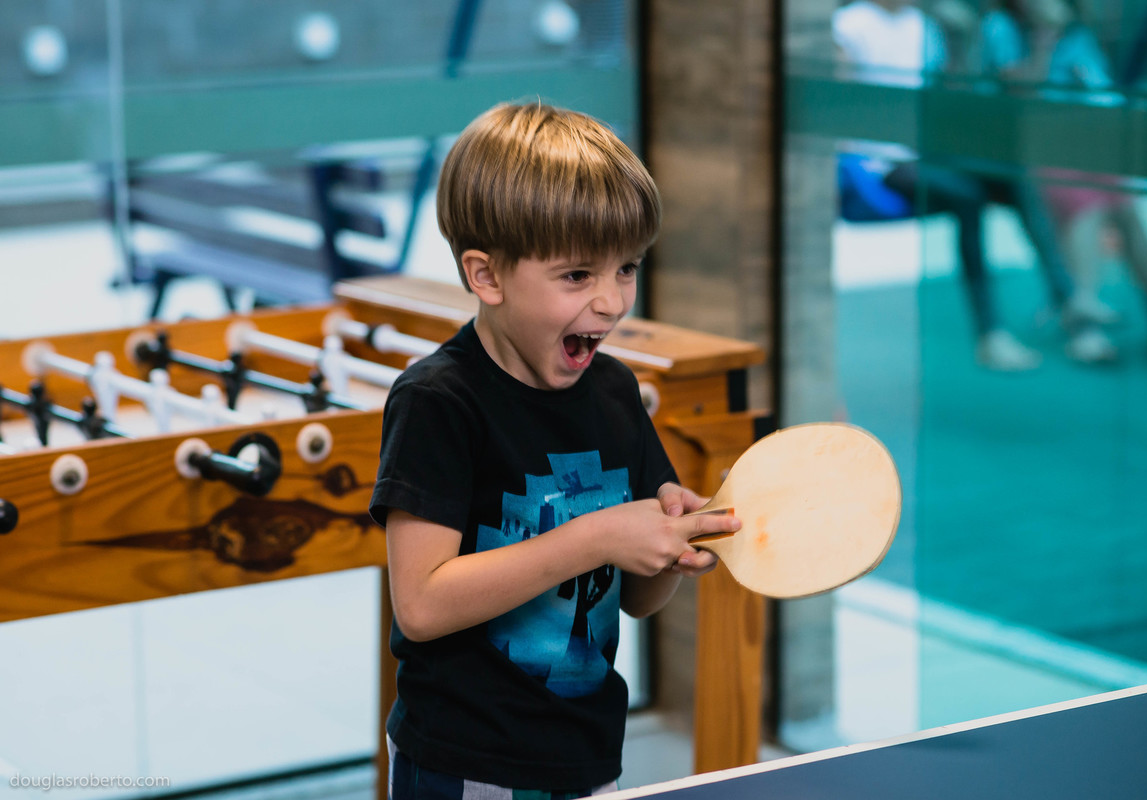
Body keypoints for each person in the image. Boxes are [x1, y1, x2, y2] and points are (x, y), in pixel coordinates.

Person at [369, 101, 742, 800]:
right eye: (577, 276)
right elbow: (420, 603)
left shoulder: (614, 391)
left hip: (585, 750)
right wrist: (596, 536)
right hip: (466, 762)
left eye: (626, 268)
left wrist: (672, 548)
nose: (611, 302)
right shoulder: (438, 403)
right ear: (486, 276)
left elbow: (636, 599)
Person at [834, 0, 1095, 370]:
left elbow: (948, 89)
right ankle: (991, 334)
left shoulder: (922, 24)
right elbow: (837, 102)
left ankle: (1068, 302)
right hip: (881, 162)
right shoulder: (851, 24)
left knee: (1014, 176)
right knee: (966, 197)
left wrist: (961, 39)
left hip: (927, 151)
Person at [981, 0, 1147, 359]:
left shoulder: (1078, 30)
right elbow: (1023, 92)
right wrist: (1045, 40)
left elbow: (1100, 87)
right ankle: (1084, 330)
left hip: (1093, 139)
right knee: (1087, 215)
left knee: (1130, 218)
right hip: (1039, 143)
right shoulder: (1001, 27)